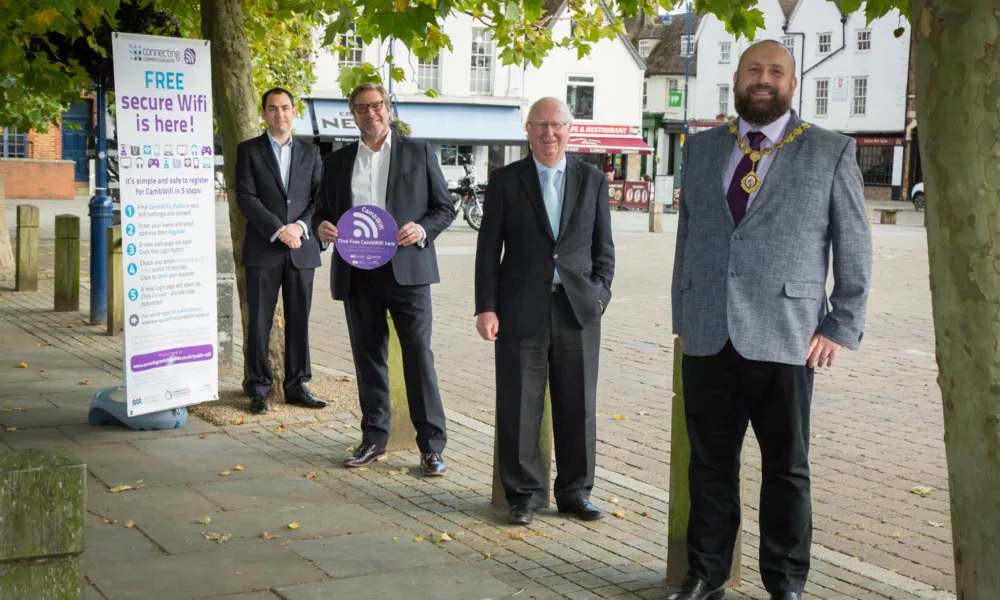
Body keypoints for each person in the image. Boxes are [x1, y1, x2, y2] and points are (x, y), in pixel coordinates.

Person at [668, 40, 872, 600]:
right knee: (709, 466)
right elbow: (688, 237)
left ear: (793, 82)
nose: (764, 79)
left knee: (786, 470)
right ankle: (706, 574)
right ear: (736, 78)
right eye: (754, 70)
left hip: (788, 334)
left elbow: (854, 244)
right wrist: (682, 312)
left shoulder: (831, 151)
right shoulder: (704, 147)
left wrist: (841, 322)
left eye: (775, 71)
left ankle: (785, 582)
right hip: (709, 331)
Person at [474, 97, 615, 526]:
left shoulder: (592, 179)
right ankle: (523, 495)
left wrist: (600, 296)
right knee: (519, 404)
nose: (549, 133)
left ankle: (576, 492)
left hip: (577, 310)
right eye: (540, 126)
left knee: (578, 404)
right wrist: (486, 307)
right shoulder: (505, 180)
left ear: (570, 129)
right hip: (520, 310)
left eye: (557, 125)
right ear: (528, 130)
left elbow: (603, 249)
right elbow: (487, 252)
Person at [315, 83, 455, 476]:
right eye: (361, 108)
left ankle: (431, 447)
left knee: (418, 358)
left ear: (388, 109)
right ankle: (374, 438)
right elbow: (322, 210)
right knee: (368, 360)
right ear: (352, 114)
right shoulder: (338, 161)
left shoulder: (418, 151)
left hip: (407, 272)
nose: (370, 113)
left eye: (376, 106)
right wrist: (320, 227)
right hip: (358, 272)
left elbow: (444, 208)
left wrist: (422, 230)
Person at [235, 87, 327, 415]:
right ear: (264, 113)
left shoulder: (311, 153)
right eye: (272, 109)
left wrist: (299, 227)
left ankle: (297, 385)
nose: (280, 114)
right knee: (260, 320)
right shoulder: (249, 150)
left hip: (302, 248)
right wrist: (278, 229)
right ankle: (259, 387)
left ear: (293, 111)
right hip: (264, 247)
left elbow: (320, 198)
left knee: (299, 319)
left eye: (285, 108)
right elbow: (246, 196)